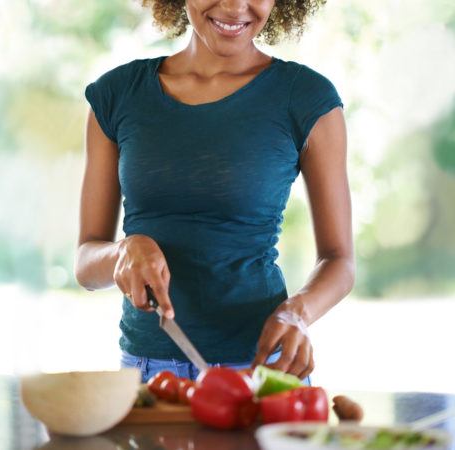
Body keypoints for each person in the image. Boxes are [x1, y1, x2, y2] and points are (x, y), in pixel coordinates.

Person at [75, 0, 355, 384]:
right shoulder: (117, 95)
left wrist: (298, 313)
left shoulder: (307, 99)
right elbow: (86, 265)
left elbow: (340, 261)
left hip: (260, 370)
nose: (235, 6)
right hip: (147, 373)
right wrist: (123, 251)